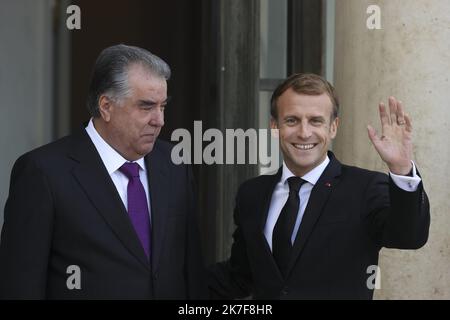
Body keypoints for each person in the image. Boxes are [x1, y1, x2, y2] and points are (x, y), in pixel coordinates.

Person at [0, 44, 206, 299]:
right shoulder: (43, 173)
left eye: (162, 106)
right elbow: (20, 286)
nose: (159, 120)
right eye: (146, 107)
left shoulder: (175, 165)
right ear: (106, 106)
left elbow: (191, 274)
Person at [209, 73, 430, 299]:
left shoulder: (365, 188)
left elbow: (409, 236)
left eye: (316, 121)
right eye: (292, 120)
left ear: (333, 127)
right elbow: (240, 277)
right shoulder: (251, 193)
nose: (304, 133)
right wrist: (176, 276)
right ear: (275, 127)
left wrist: (402, 170)